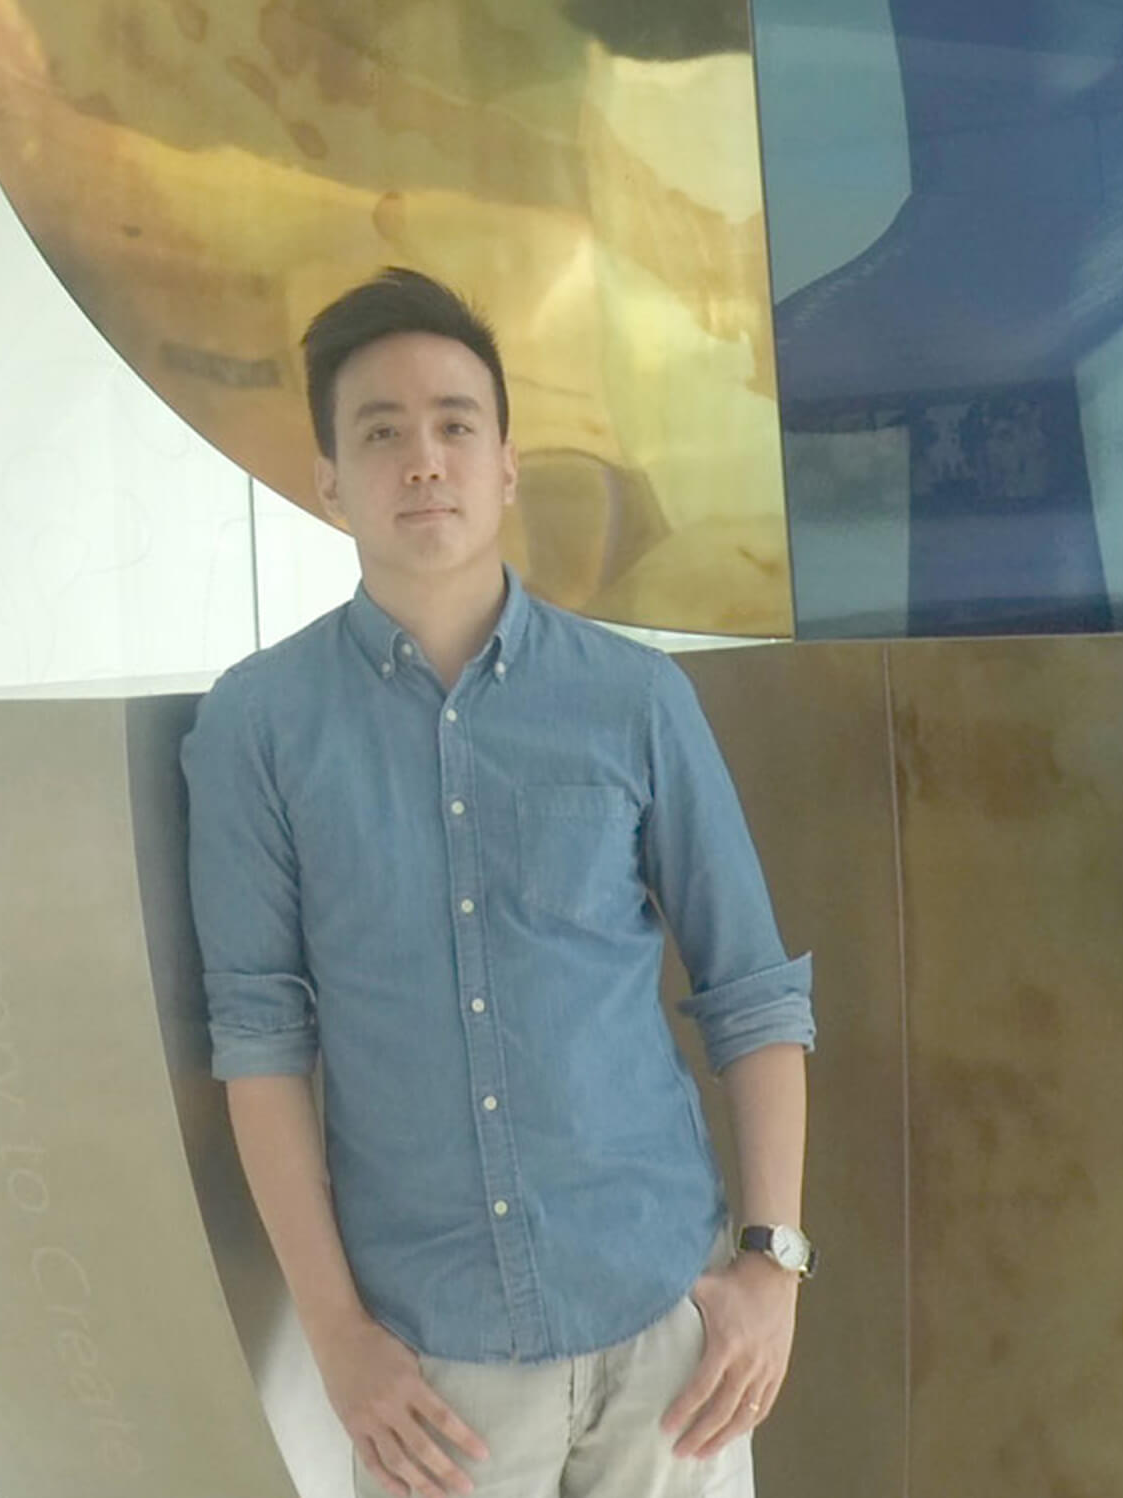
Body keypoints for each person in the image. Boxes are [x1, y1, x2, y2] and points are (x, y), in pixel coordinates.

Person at [181, 267, 819, 1498]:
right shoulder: (259, 726)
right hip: (432, 1371)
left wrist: (770, 1270)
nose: (423, 459)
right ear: (325, 479)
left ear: (506, 464)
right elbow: (260, 1047)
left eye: (454, 425)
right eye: (380, 432)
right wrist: (336, 1336)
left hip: (666, 1342)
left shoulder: (633, 700)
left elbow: (752, 990)